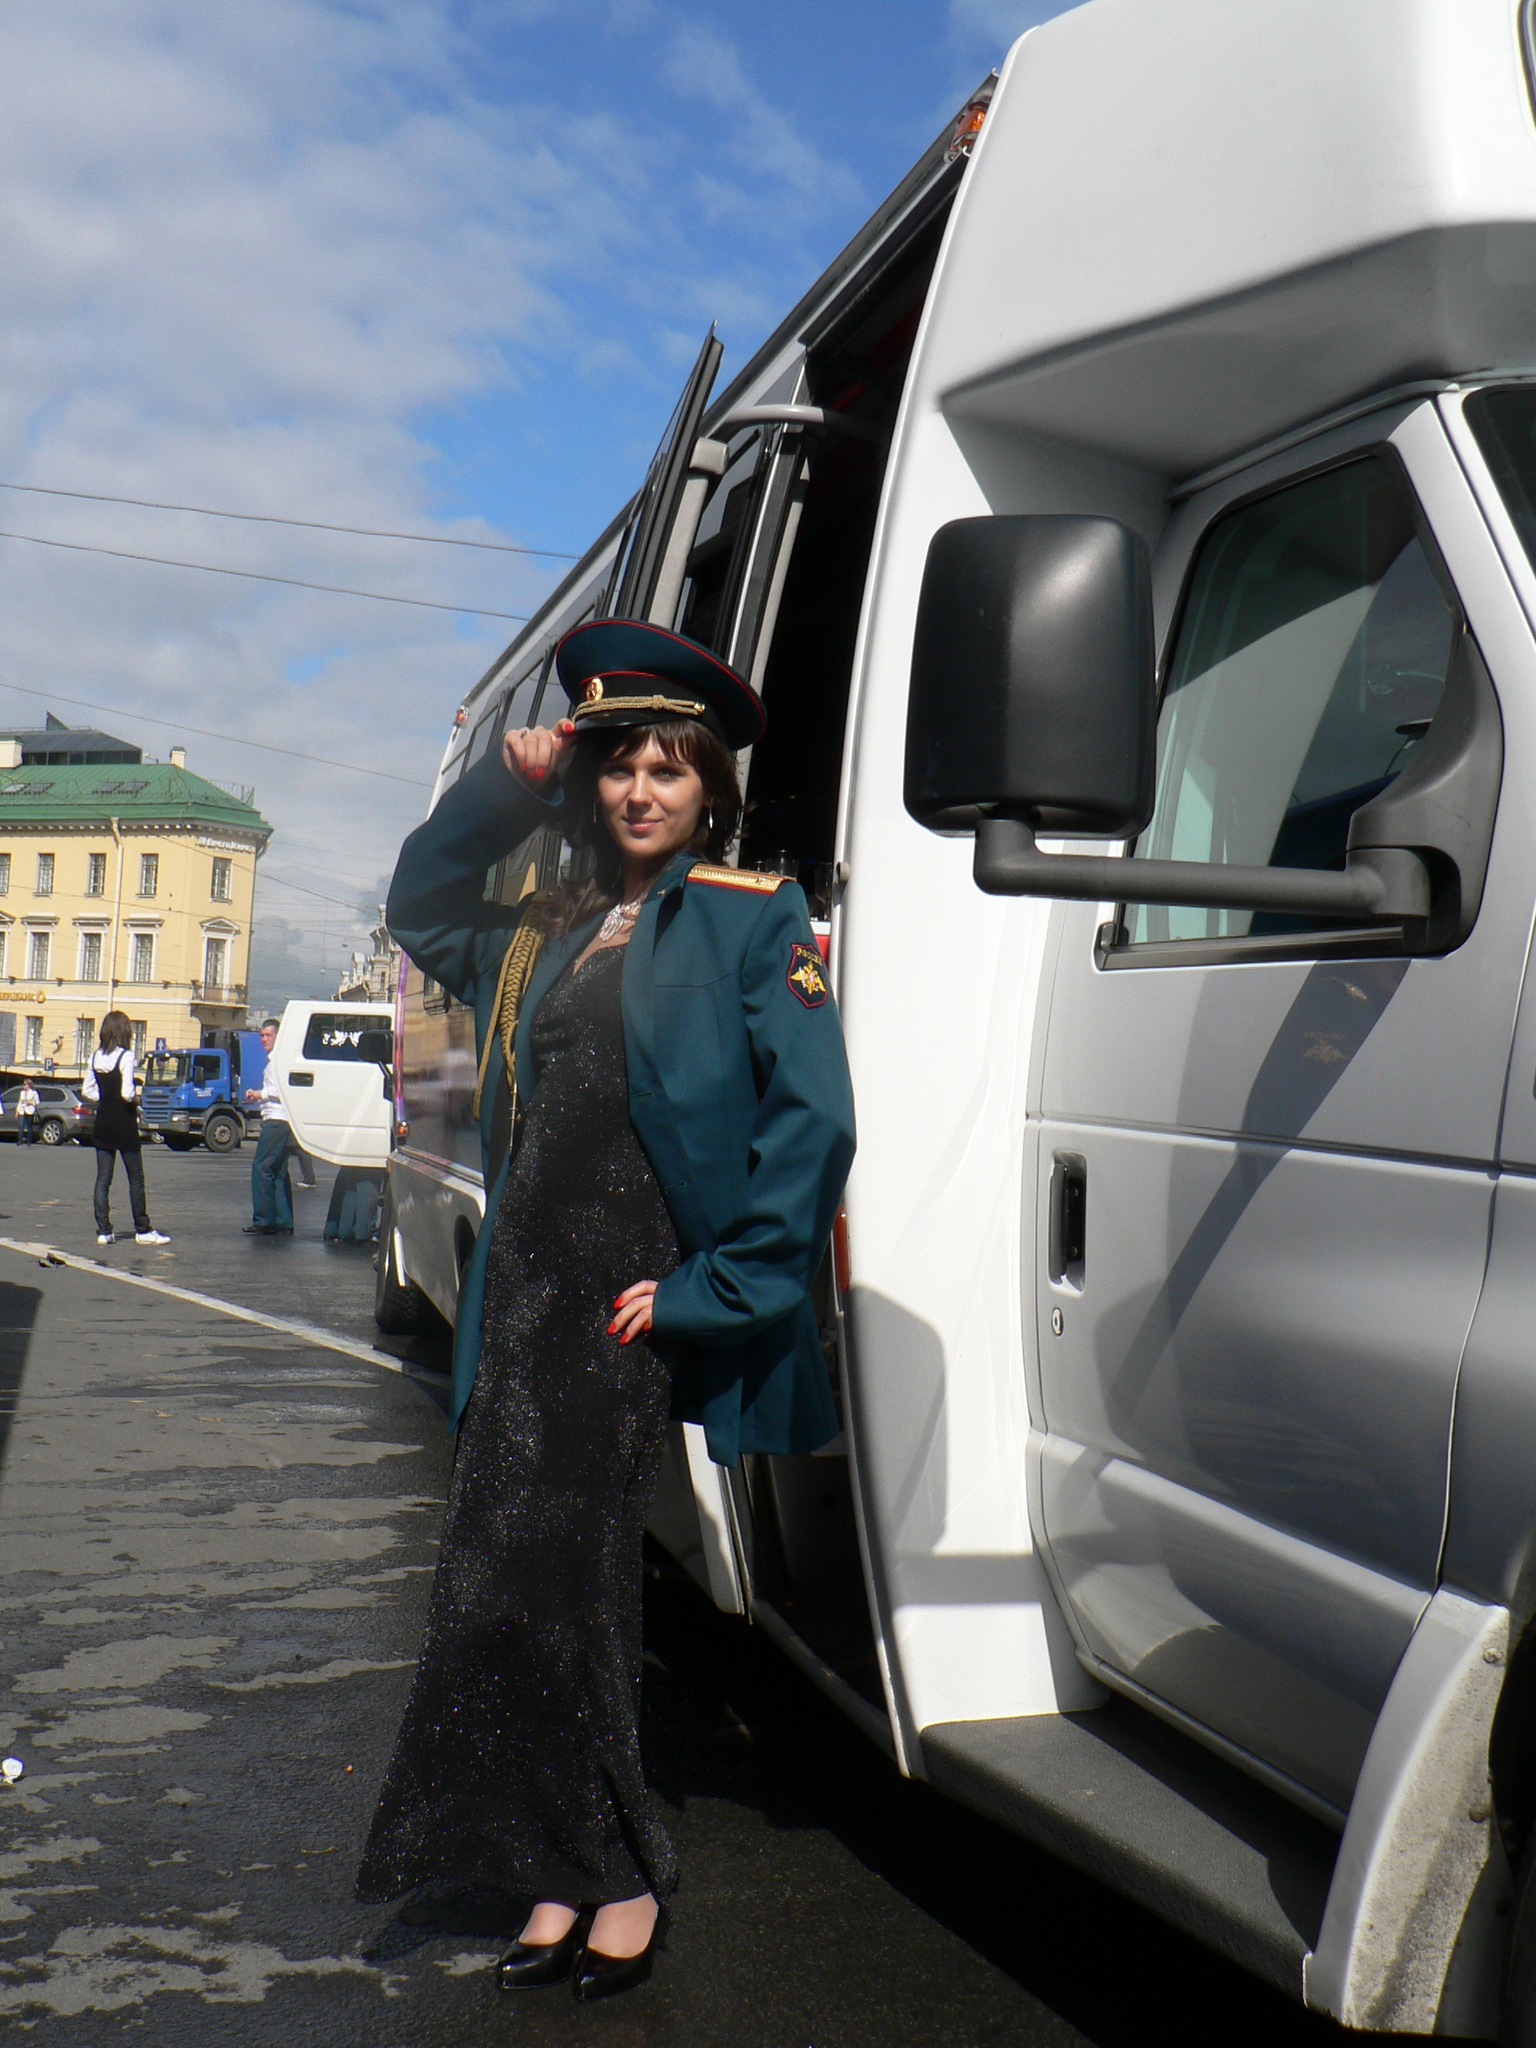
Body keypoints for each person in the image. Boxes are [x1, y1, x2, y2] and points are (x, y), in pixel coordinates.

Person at [355, 619, 855, 2001]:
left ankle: (619, 1875)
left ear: (709, 788)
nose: (640, 790)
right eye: (619, 765)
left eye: (667, 768)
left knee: (573, 1592)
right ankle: (555, 1864)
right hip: (521, 1292)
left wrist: (719, 1286)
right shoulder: (544, 924)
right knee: (502, 1588)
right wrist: (501, 790)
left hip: (622, 1307)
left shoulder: (753, 916)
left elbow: (814, 1122)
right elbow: (418, 902)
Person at [81, 1012, 170, 1247]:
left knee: (103, 1178)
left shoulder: (95, 1057)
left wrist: (103, 1098)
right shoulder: (126, 1056)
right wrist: (136, 1099)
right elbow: (127, 1093)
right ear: (125, 1032)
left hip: (103, 1122)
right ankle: (142, 1229)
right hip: (124, 1122)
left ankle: (104, 1231)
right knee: (135, 1177)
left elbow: (87, 1090)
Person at [244, 1019, 294, 1236]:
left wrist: (259, 1094)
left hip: (276, 1120)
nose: (264, 1039)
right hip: (280, 1119)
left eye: (268, 1035)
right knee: (278, 1171)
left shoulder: (277, 1062)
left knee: (262, 1168)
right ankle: (283, 1220)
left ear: (278, 1037)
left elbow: (281, 1091)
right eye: (261, 1036)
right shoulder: (276, 1061)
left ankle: (264, 1219)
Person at [15, 1080, 40, 1147]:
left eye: (25, 1084)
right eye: (23, 1084)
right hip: (22, 1110)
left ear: (29, 1085)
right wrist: (17, 1111)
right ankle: (20, 1140)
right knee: (21, 1125)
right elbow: (20, 1102)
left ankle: (29, 1141)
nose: (23, 1085)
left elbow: (37, 1102)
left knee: (29, 1126)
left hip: (30, 1111)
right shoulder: (22, 1092)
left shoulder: (34, 1093)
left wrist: (31, 1103)